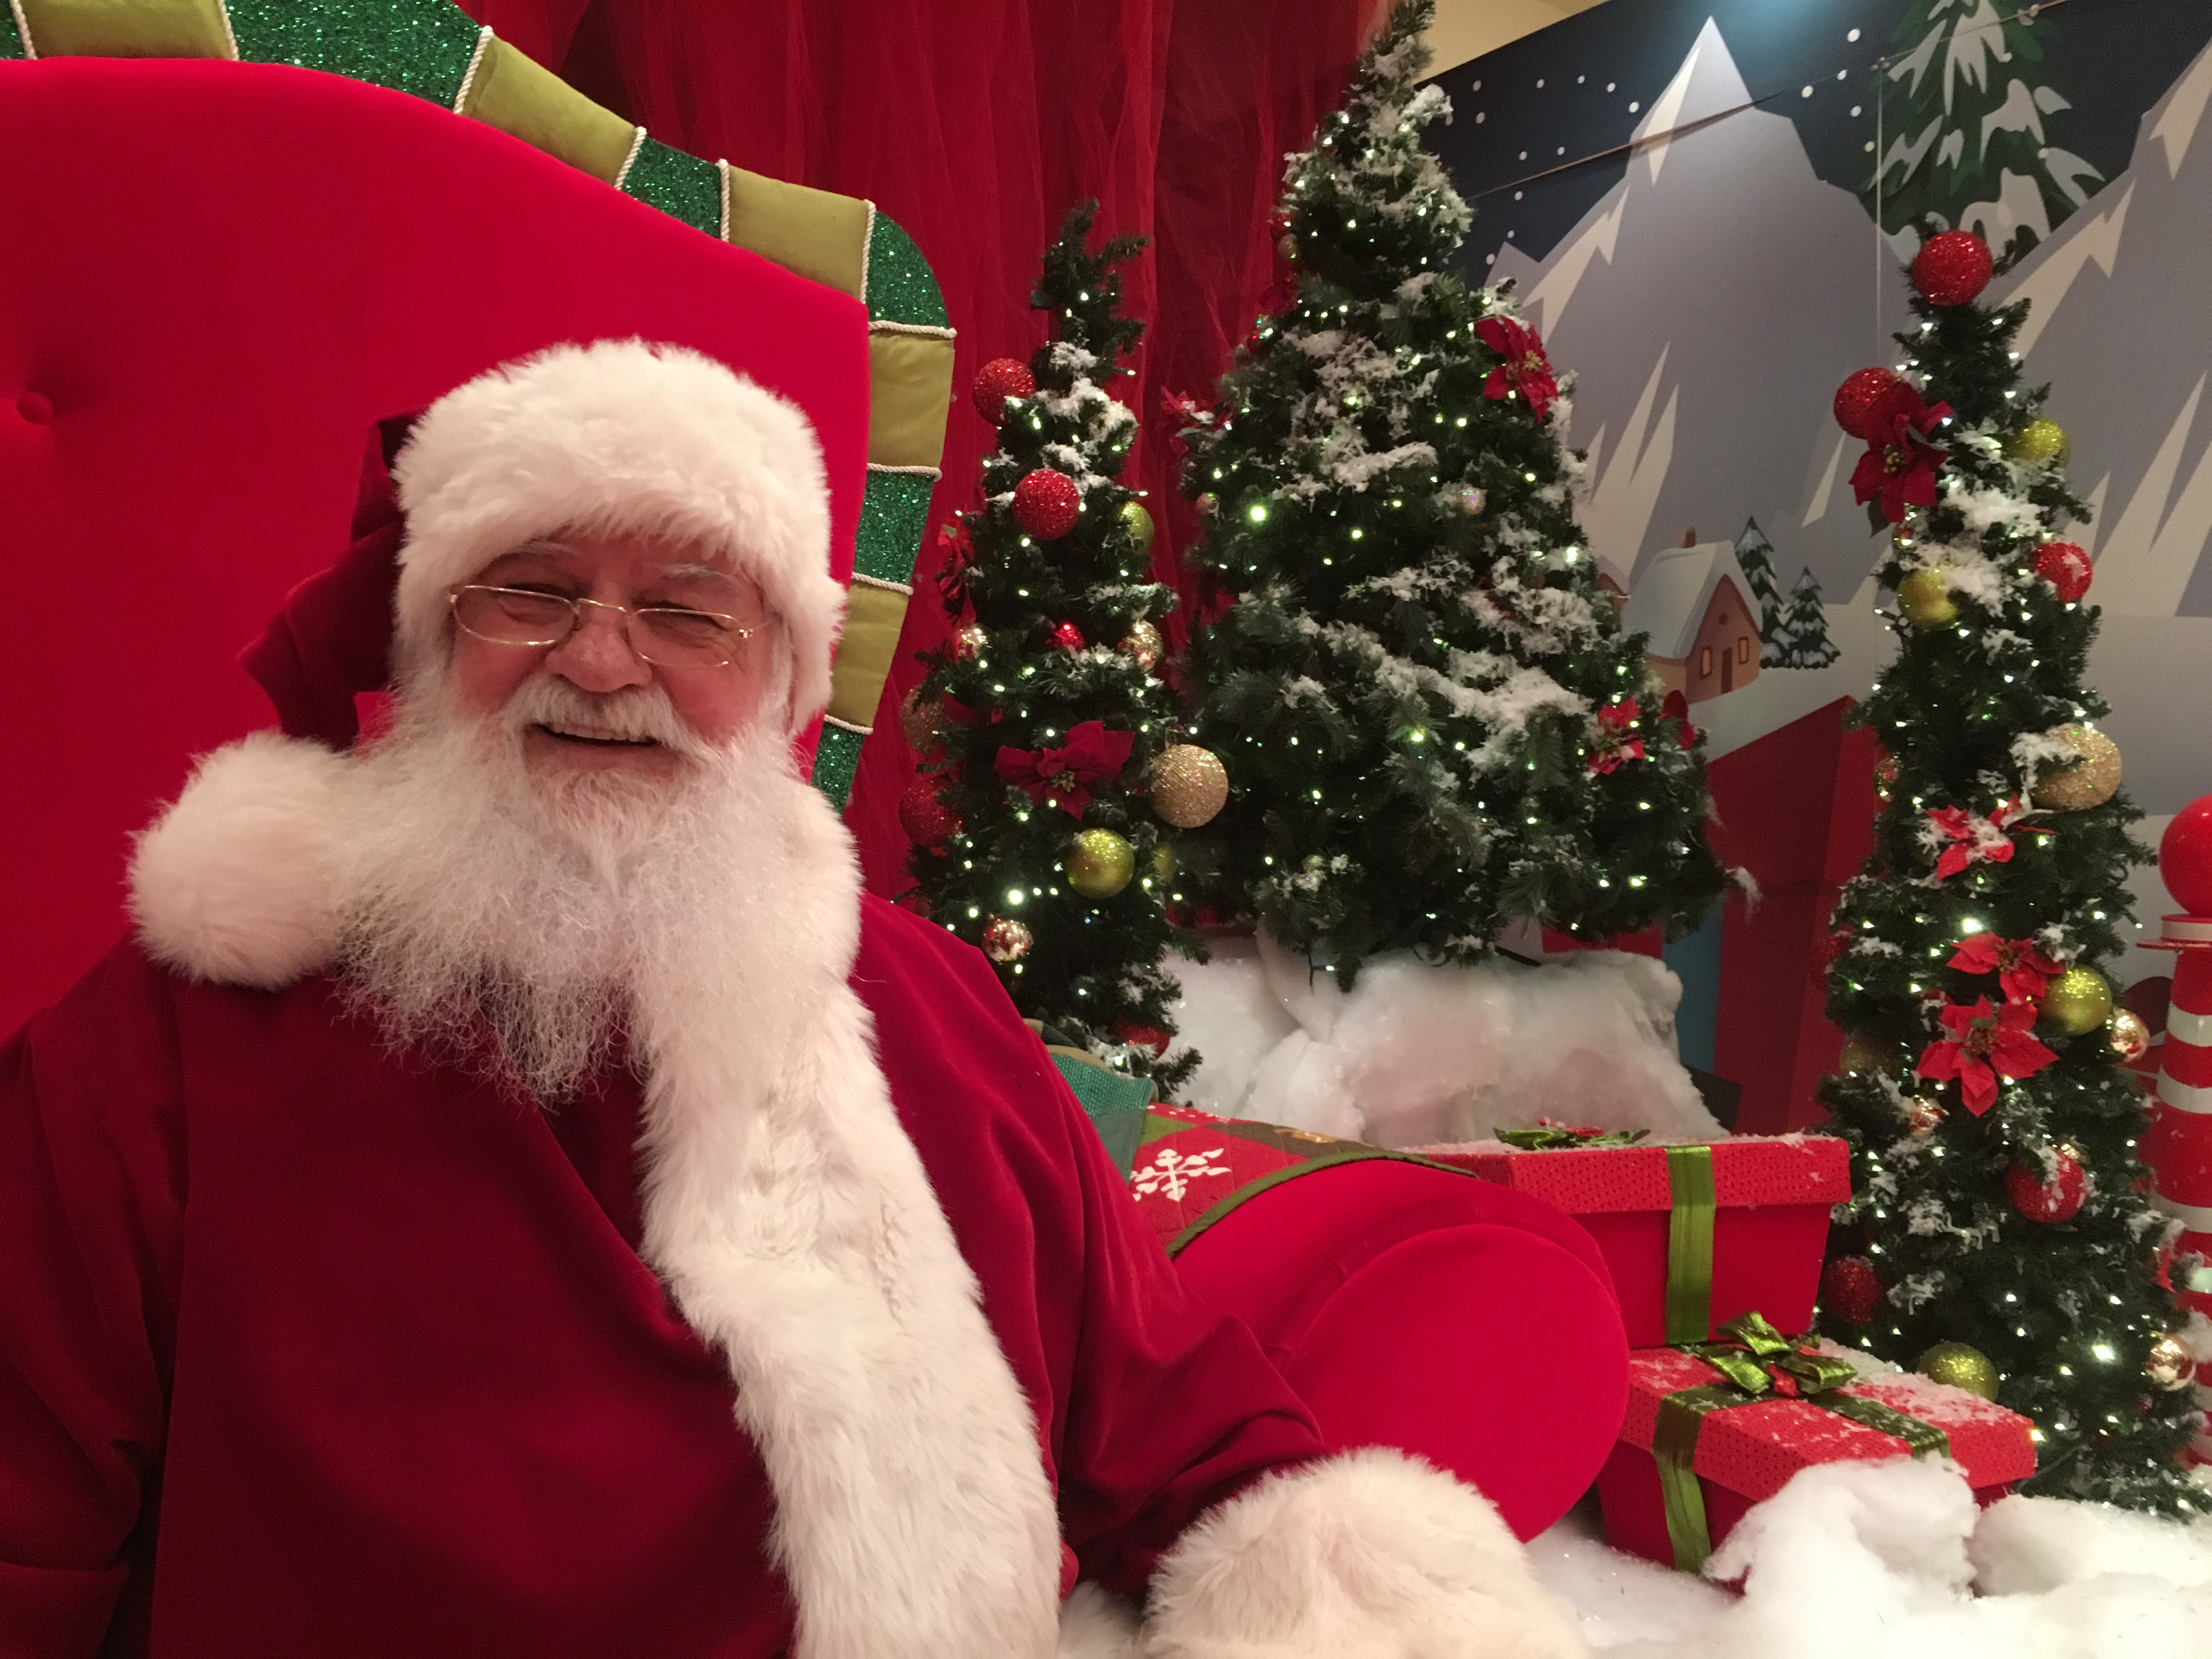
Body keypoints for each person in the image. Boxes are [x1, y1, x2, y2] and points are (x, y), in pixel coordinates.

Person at [0, 340, 1585, 1658]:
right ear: (426, 647)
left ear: (777, 683)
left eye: (690, 609)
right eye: (527, 592)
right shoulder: (167, 1052)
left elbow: (1188, 1435)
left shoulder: (934, 1015)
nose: (603, 663)